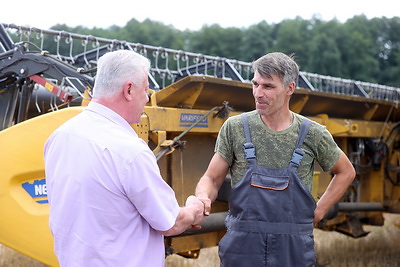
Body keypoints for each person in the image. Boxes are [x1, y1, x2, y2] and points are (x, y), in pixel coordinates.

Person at [44, 50, 205, 267]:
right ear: (129, 90)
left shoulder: (60, 136)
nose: (147, 98)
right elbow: (171, 223)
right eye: (146, 90)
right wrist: (194, 209)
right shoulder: (130, 152)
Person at [195, 52, 356, 266]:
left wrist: (318, 212)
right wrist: (203, 197)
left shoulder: (312, 134)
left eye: (268, 86)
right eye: (255, 84)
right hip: (242, 247)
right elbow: (212, 179)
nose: (258, 93)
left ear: (290, 88)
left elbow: (346, 171)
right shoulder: (235, 128)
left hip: (293, 248)